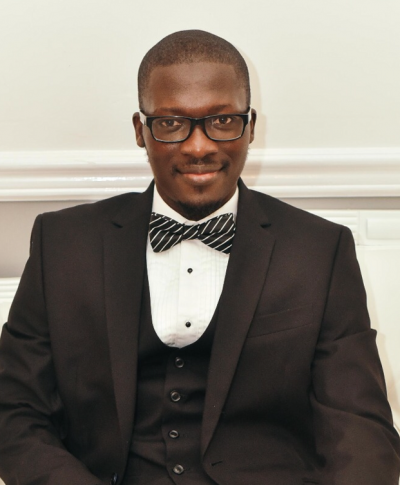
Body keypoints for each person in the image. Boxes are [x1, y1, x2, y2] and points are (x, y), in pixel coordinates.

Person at [0, 29, 399, 485]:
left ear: (251, 126)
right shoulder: (62, 243)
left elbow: (360, 429)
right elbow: (14, 411)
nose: (198, 146)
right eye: (172, 123)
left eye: (223, 120)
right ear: (140, 131)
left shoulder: (320, 250)